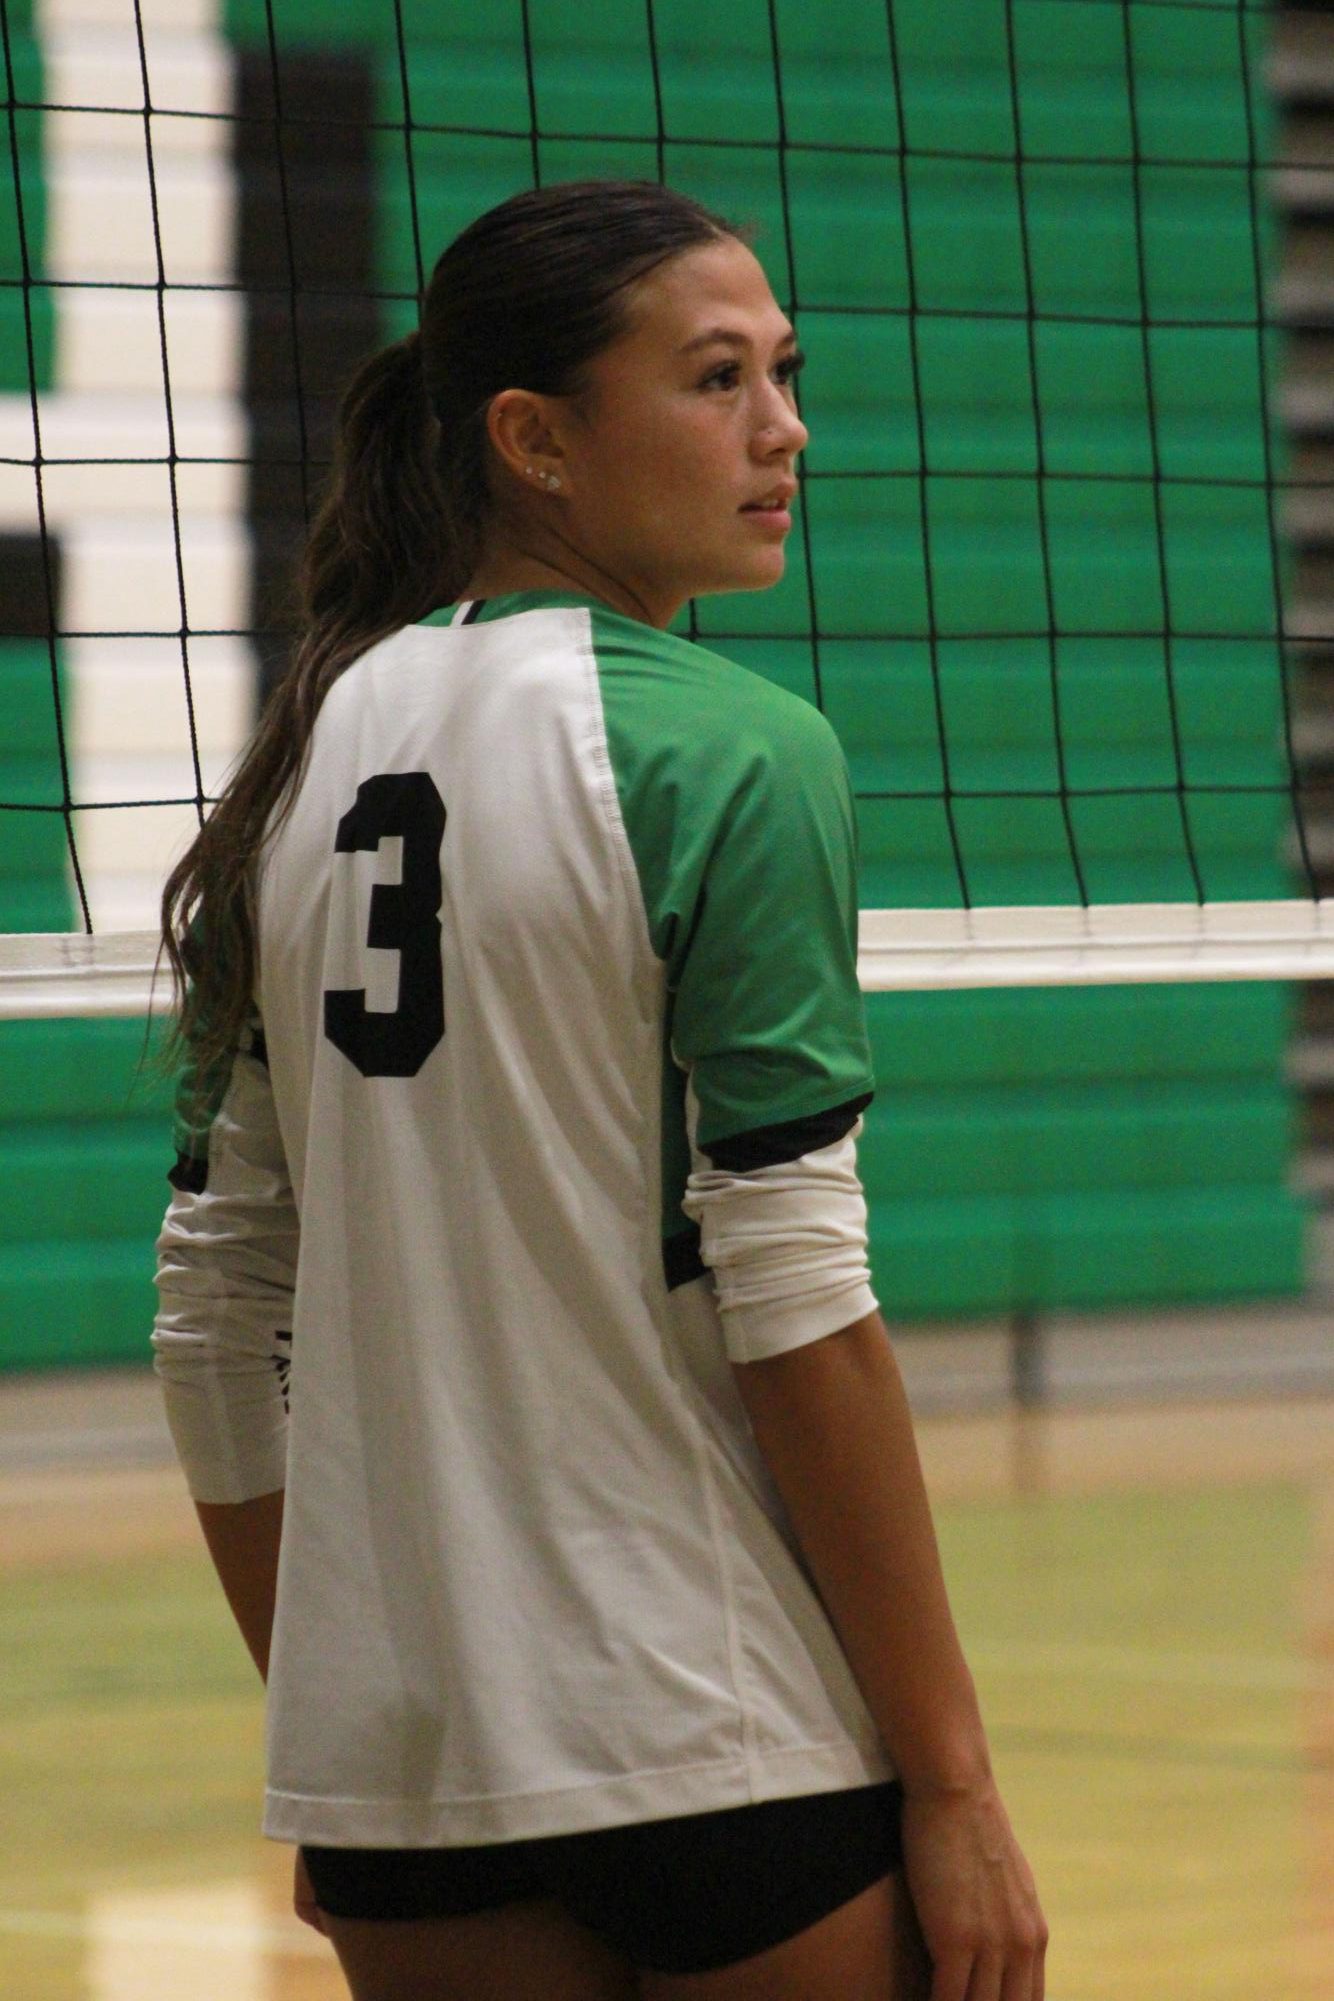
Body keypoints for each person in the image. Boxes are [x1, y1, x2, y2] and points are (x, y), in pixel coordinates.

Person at [152, 178, 1047, 2001]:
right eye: (715, 380)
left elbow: (210, 1318)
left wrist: (334, 1724)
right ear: (534, 441)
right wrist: (952, 1779)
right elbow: (798, 1305)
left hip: (407, 1775)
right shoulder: (732, 752)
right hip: (712, 1726)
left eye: (783, 374)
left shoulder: (306, 742)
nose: (782, 429)